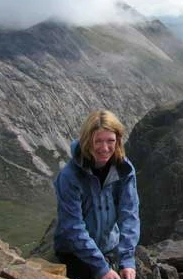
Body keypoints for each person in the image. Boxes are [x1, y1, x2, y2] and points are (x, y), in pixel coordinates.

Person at [53, 110, 140, 279]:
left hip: (109, 247)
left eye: (110, 141)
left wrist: (127, 260)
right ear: (87, 140)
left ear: (118, 141)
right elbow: (72, 226)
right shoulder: (70, 176)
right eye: (98, 141)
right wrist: (101, 269)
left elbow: (129, 214)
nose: (105, 148)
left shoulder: (124, 170)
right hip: (74, 253)